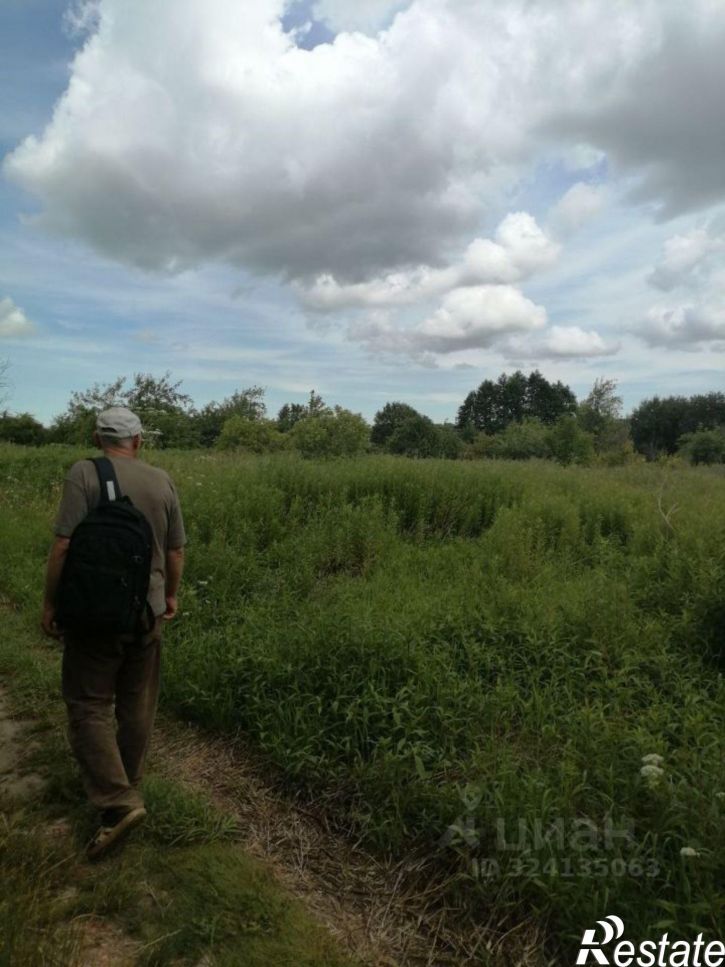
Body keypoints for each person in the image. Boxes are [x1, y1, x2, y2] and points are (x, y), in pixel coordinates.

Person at [41, 406, 186, 859]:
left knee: (88, 701)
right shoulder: (161, 480)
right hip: (147, 613)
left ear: (96, 437)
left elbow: (64, 544)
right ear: (139, 441)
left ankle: (118, 800)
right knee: (137, 702)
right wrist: (170, 597)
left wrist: (51, 603)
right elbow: (177, 550)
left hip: (96, 615)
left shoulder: (83, 474)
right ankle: (128, 784)